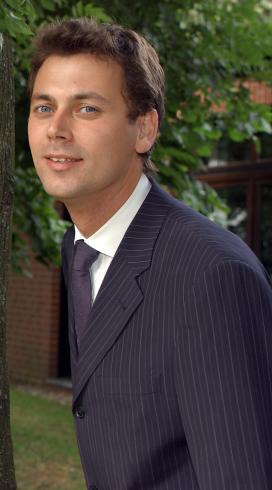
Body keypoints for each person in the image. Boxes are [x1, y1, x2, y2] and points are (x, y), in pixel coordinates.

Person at [27, 18, 272, 489]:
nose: (56, 129)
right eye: (44, 107)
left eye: (87, 109)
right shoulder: (80, 249)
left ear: (144, 129)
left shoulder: (212, 276)